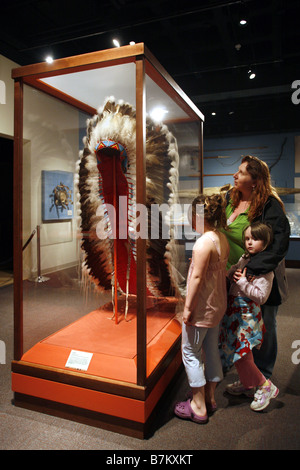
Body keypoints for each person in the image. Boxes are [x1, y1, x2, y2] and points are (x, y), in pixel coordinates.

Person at [222, 155, 290, 380]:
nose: (235, 175)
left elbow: (277, 246)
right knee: (237, 324)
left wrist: (250, 271)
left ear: (255, 180)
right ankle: (248, 376)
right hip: (233, 275)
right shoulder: (229, 199)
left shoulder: (270, 206)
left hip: (259, 277)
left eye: (240, 172)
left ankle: (264, 377)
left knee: (265, 326)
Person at [174, 194, 229, 424]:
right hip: (216, 307)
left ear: (198, 216)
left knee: (190, 352)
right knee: (211, 349)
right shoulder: (220, 239)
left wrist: (187, 309)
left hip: (202, 309)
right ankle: (210, 396)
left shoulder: (202, 242)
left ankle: (198, 406)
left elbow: (196, 278)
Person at [220, 222, 279, 411]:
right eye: (247, 238)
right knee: (239, 354)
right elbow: (234, 272)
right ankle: (248, 383)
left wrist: (243, 282)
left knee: (243, 354)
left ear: (266, 241)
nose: (249, 242)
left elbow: (261, 297)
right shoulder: (246, 259)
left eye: (255, 239)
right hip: (236, 314)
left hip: (247, 317)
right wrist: (232, 273)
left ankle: (264, 385)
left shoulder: (266, 268)